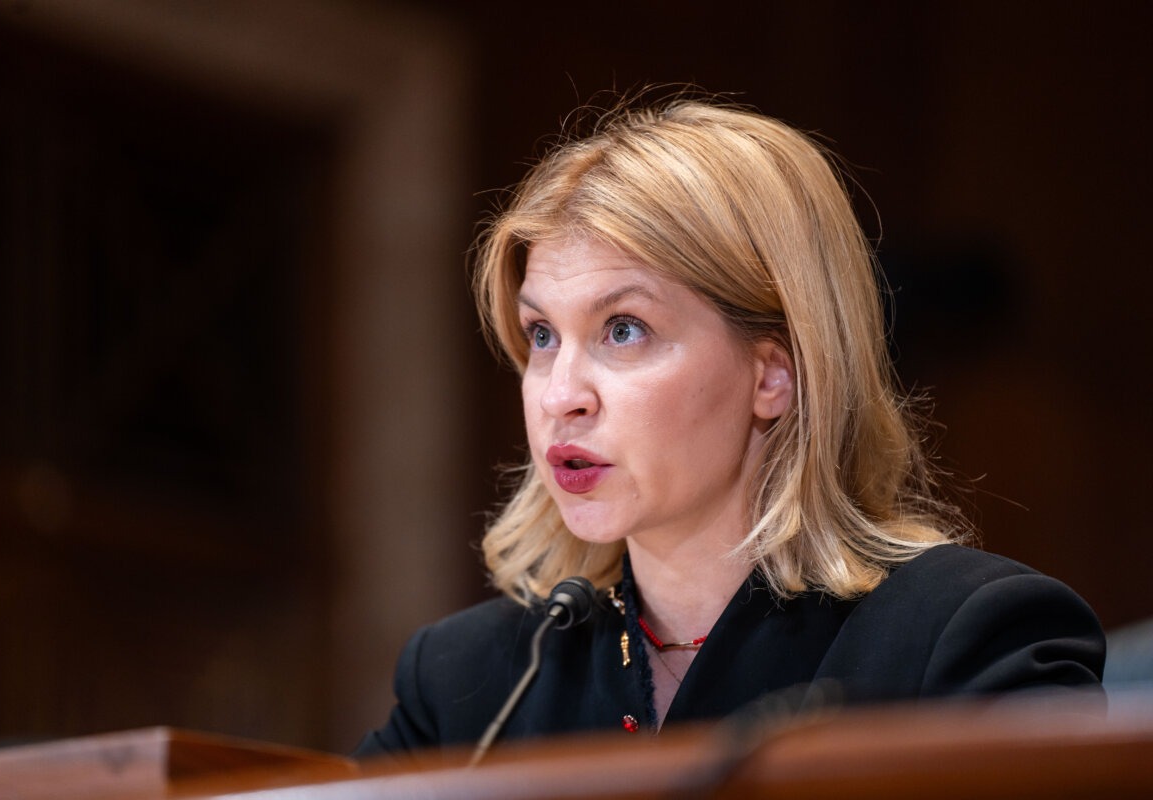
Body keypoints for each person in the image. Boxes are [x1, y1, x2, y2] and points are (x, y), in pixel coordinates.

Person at [356, 97, 1105, 758]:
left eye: (623, 329)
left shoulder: (967, 641)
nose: (560, 396)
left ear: (772, 374)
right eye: (542, 335)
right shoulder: (469, 683)